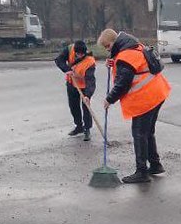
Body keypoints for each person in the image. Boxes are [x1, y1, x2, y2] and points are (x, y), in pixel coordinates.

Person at [97, 29, 171, 184]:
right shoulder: (133, 46)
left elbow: (123, 83)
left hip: (147, 97)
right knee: (147, 132)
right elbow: (130, 66)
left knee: (139, 133)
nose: (107, 50)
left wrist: (109, 99)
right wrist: (114, 60)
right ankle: (155, 165)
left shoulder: (125, 56)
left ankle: (142, 172)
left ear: (114, 42)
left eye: (108, 46)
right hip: (158, 92)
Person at [54, 40, 96, 141]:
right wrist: (66, 69)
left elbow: (90, 80)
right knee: (73, 106)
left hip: (85, 86)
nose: (80, 56)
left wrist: (88, 95)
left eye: (82, 54)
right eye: (78, 54)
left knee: (86, 107)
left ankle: (87, 129)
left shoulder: (90, 61)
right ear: (75, 51)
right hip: (71, 83)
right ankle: (79, 126)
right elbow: (58, 60)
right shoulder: (69, 50)